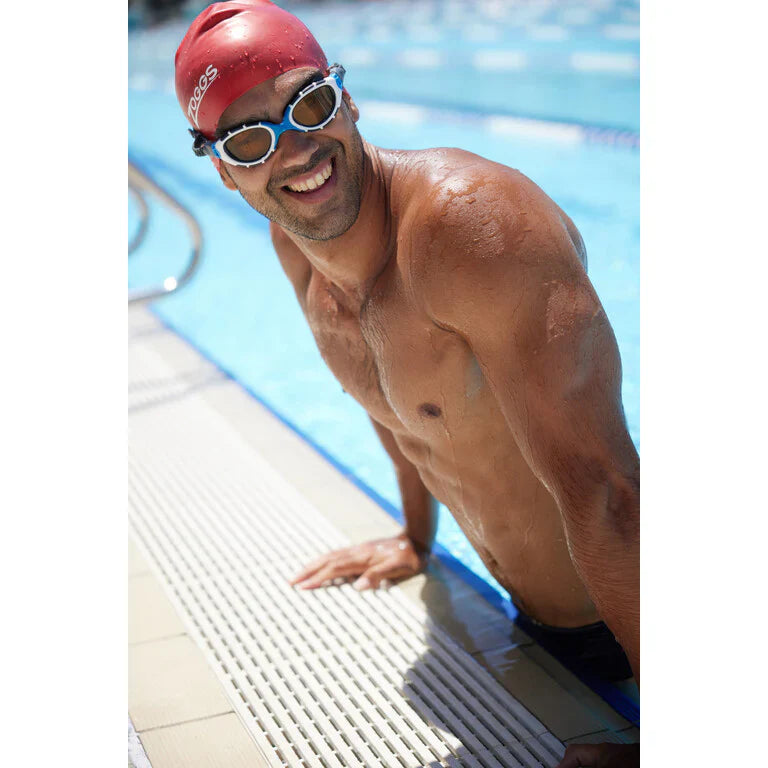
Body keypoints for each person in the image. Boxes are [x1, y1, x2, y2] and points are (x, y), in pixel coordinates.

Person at [175, 2, 639, 765]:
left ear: (347, 97)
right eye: (251, 138)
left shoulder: (470, 228)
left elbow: (609, 489)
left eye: (309, 104)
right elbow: (389, 395)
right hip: (550, 624)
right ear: (224, 171)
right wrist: (415, 538)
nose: (296, 149)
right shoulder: (299, 242)